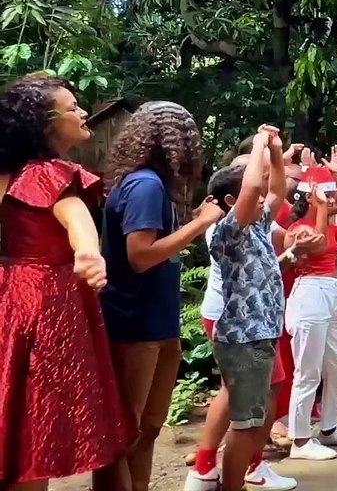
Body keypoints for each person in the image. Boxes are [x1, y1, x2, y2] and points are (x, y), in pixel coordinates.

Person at [0, 74, 132, 490]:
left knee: (14, 416)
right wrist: (89, 252)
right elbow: (75, 217)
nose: (81, 112)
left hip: (10, 296)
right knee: (35, 430)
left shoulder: (10, 173)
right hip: (44, 303)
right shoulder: (47, 173)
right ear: (45, 124)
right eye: (72, 107)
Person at [96, 102, 215, 491]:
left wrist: (188, 221)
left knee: (147, 427)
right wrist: (198, 226)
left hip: (156, 323)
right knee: (125, 430)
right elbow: (142, 256)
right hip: (135, 325)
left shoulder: (147, 185)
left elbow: (154, 244)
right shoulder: (145, 185)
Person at [185, 148, 305, 491]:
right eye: (253, 192)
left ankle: (235, 476)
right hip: (243, 338)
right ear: (230, 200)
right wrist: (258, 148)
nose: (263, 195)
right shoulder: (228, 231)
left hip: (260, 333)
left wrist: (278, 154)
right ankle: (232, 483)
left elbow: (276, 191)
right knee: (246, 423)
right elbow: (253, 187)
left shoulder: (257, 224)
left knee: (253, 416)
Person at [285, 166, 337, 460]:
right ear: (311, 198)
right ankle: (298, 440)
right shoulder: (298, 230)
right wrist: (321, 208)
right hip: (309, 294)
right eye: (328, 195)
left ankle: (329, 427)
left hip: (332, 293)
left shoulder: (332, 227)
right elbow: (318, 244)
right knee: (308, 371)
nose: (335, 199)